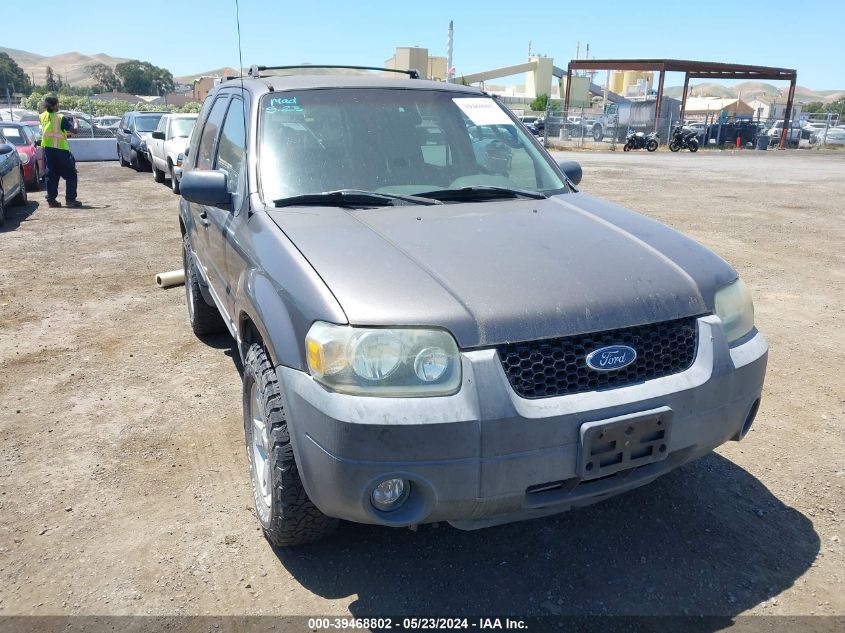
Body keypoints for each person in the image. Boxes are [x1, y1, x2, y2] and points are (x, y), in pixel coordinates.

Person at [40, 96, 82, 208]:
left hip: (48, 150)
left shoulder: (42, 116)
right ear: (55, 105)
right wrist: (75, 121)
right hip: (61, 151)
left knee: (51, 174)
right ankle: (70, 199)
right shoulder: (60, 118)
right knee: (71, 174)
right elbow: (75, 131)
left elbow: (52, 132)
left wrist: (64, 135)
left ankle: (51, 200)